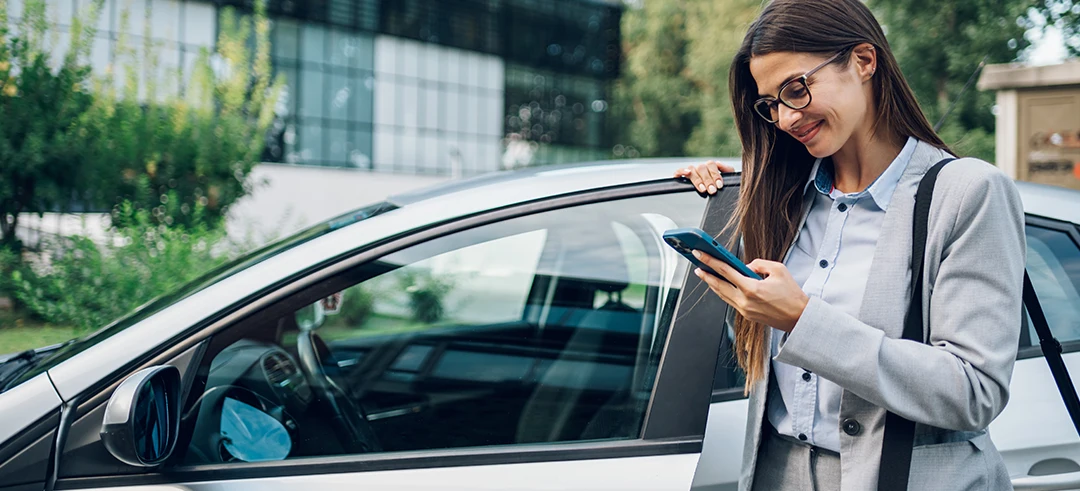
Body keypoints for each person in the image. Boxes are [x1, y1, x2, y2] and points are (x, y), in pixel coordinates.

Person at [674, 0, 1025, 489]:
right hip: (777, 474)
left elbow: (973, 391)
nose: (785, 120)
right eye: (770, 103)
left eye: (796, 89)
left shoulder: (966, 193)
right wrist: (709, 189)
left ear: (864, 61)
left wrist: (802, 320)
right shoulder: (781, 198)